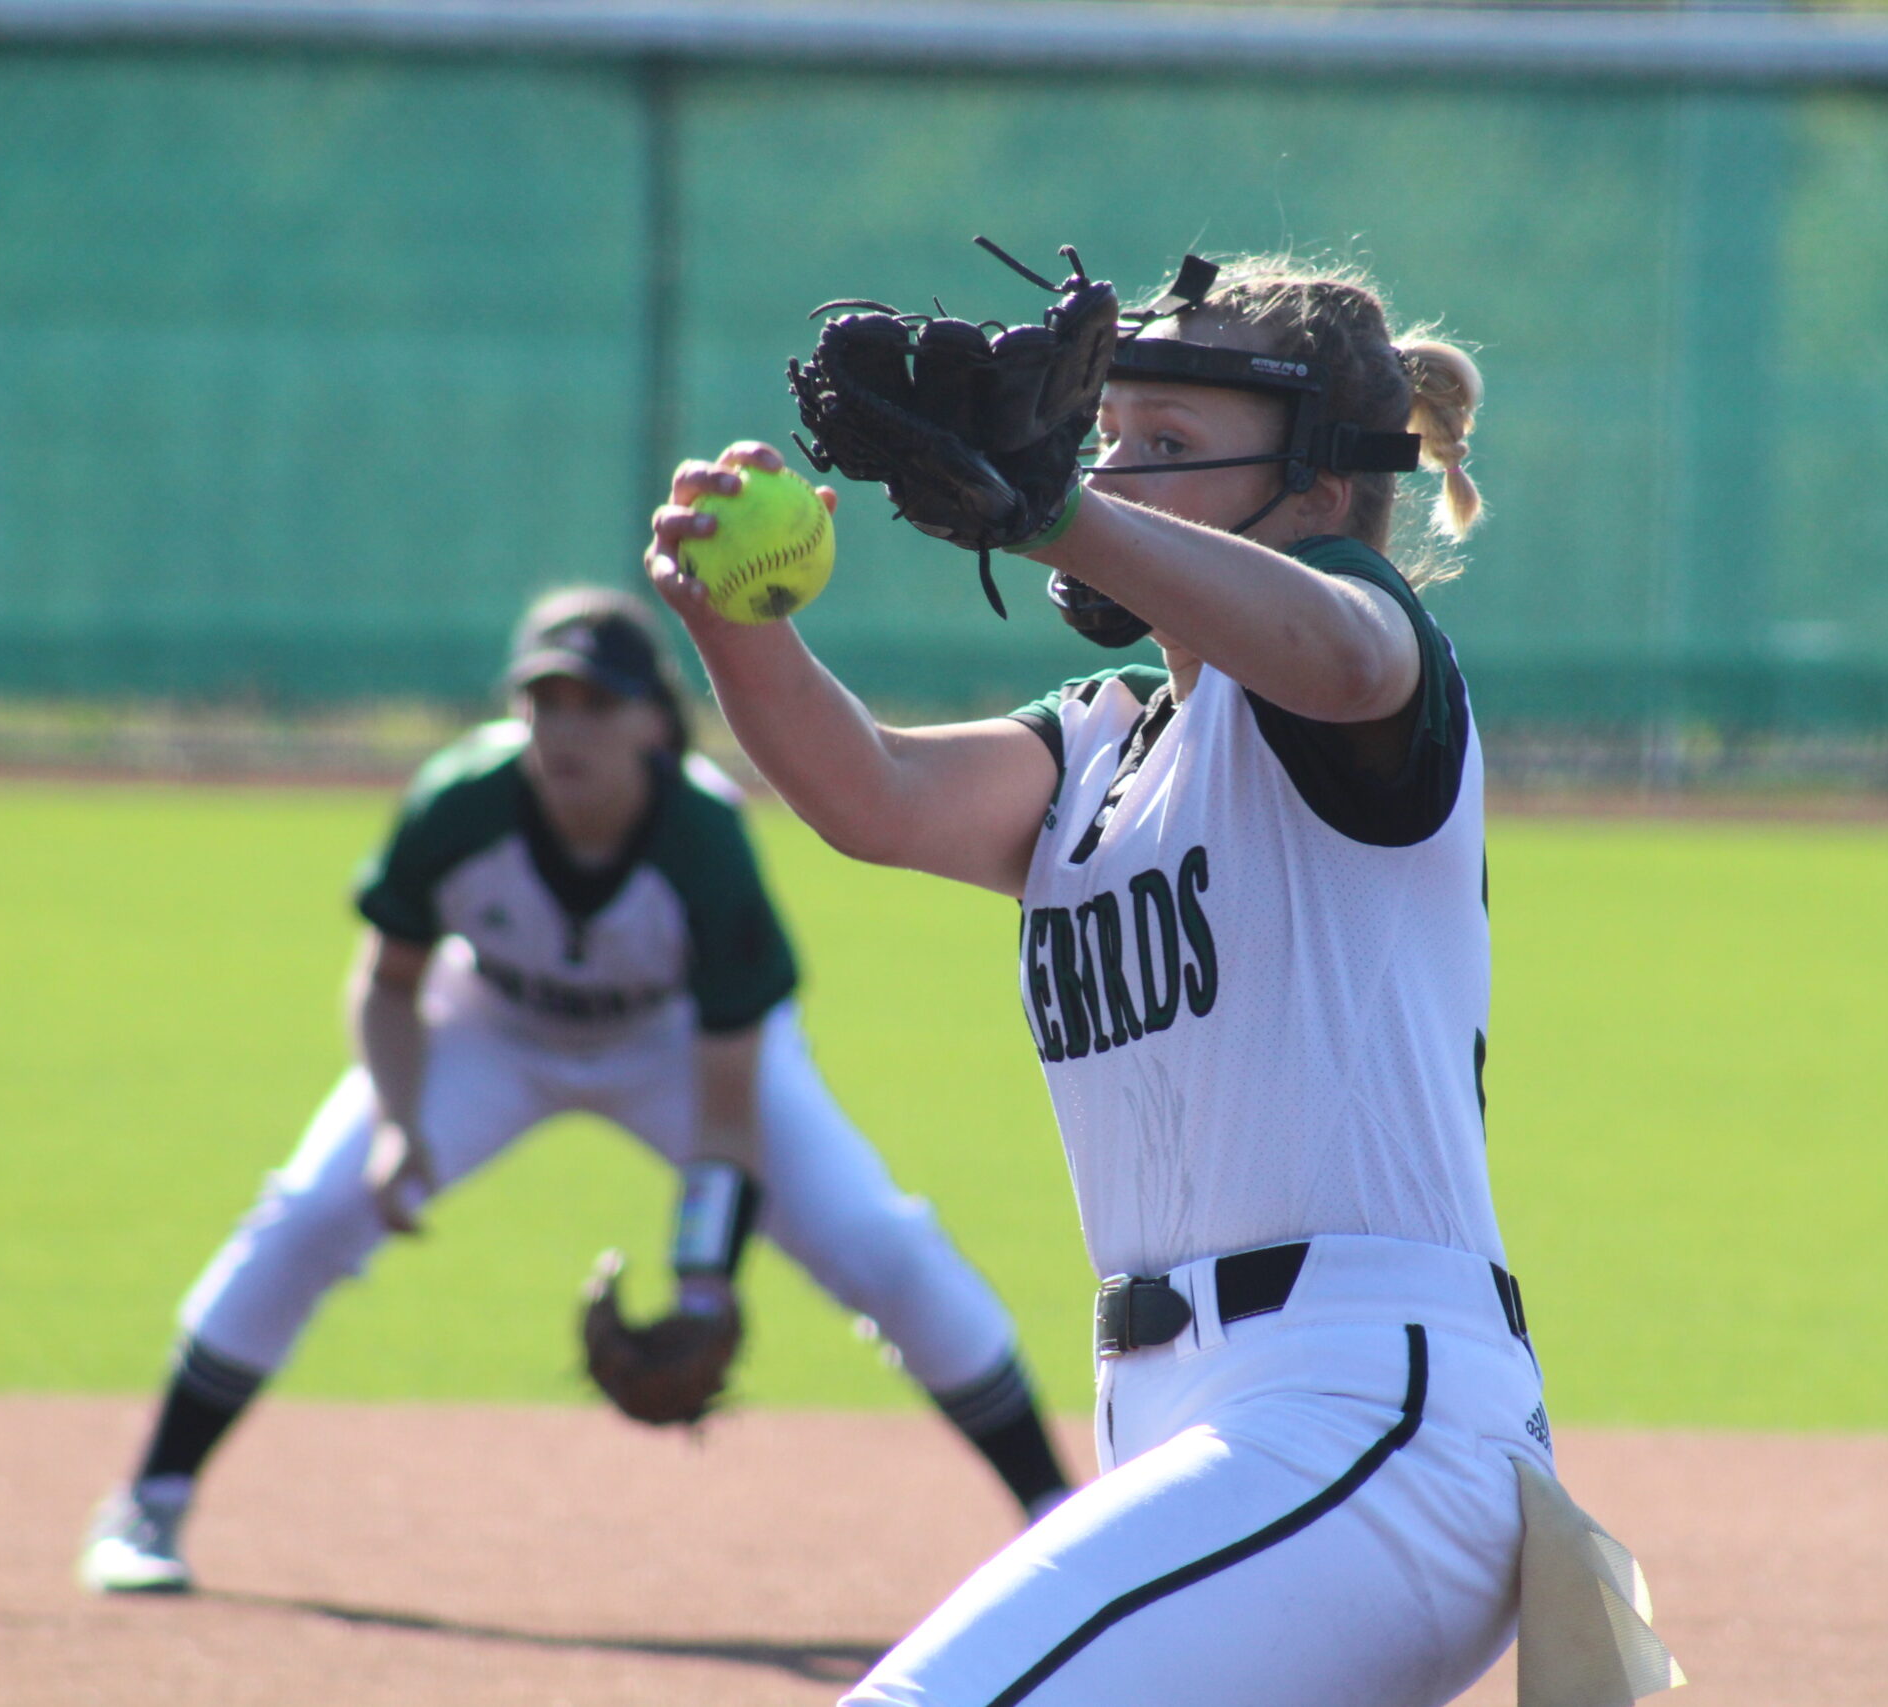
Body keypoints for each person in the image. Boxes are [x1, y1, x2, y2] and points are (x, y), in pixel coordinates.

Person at [647, 255, 1556, 1706]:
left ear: (1321, 488)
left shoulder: (1362, 666)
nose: (1111, 468)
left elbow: (1337, 653)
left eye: (1168, 443)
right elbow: (873, 793)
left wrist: (1059, 513)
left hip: (1360, 1417)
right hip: (1182, 1418)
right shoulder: (1100, 743)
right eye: (1109, 433)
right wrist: (731, 626)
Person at [79, 586, 1069, 1596]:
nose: (566, 728)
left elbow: (729, 1102)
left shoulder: (702, 838)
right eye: (545, 702)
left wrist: (704, 1280)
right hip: (492, 1026)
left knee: (879, 1244)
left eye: (597, 703)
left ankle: (1055, 1512)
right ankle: (150, 1499)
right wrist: (397, 1122)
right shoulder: (461, 802)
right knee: (310, 1211)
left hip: (679, 1045)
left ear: (654, 723)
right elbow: (388, 981)